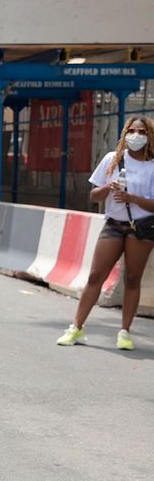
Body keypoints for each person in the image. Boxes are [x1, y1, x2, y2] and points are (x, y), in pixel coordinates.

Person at [57, 116, 154, 351]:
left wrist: (132, 198)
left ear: (149, 136)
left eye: (142, 132)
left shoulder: (152, 166)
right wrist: (107, 188)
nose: (136, 135)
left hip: (140, 226)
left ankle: (124, 331)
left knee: (132, 278)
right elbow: (93, 195)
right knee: (95, 276)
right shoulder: (113, 159)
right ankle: (76, 327)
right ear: (124, 133)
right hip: (113, 224)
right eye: (132, 130)